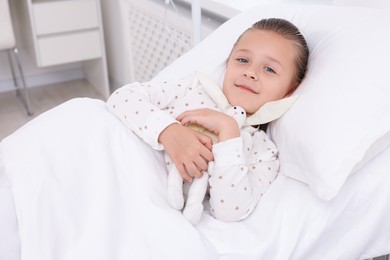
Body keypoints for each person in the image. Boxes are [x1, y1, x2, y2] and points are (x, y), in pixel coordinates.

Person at [106, 18, 309, 222]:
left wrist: (229, 131)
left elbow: (230, 212)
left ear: (289, 90)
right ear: (228, 63)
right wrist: (169, 131)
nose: (250, 72)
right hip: (115, 165)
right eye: (243, 60)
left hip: (143, 205)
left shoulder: (263, 152)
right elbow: (122, 97)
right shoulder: (195, 87)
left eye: (270, 69)